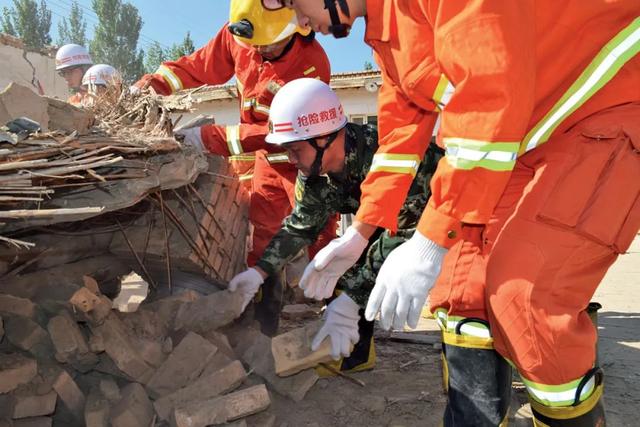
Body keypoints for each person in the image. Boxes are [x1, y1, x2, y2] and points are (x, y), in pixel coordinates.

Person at [267, 1, 640, 425]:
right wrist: (359, 235)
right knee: (459, 288)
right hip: (527, 138)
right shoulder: (390, 35)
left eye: (295, 3)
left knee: (527, 296)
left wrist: (426, 243)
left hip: (612, 105)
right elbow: (401, 138)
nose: (300, 22)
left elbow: (489, 101)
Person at [133, 0, 337, 334]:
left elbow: (280, 132)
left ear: (298, 26)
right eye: (253, 43)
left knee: (321, 237)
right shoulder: (241, 34)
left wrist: (207, 137)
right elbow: (195, 67)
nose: (259, 49)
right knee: (263, 239)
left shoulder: (311, 63)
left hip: (305, 162)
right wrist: (149, 87)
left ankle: (345, 316)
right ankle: (264, 323)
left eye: (268, 43)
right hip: (267, 165)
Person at [228, 78, 443, 372]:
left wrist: (352, 300)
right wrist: (259, 271)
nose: (291, 160)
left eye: (295, 150)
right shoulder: (314, 173)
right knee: (342, 273)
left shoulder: (387, 157)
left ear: (324, 138)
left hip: (449, 224)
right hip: (393, 224)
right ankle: (355, 354)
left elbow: (401, 233)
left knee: (457, 301)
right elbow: (301, 225)